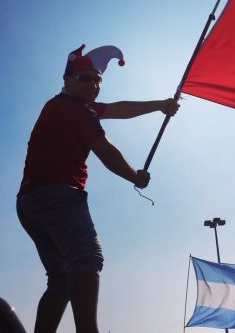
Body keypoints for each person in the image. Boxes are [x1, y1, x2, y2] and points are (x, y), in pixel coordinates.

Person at [16, 44, 179, 333]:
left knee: (62, 280)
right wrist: (135, 177)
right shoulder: (70, 109)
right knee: (87, 258)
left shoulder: (75, 106)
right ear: (66, 80)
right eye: (85, 79)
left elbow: (118, 108)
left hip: (30, 203)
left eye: (97, 79)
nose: (93, 84)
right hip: (58, 196)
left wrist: (160, 105)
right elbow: (107, 152)